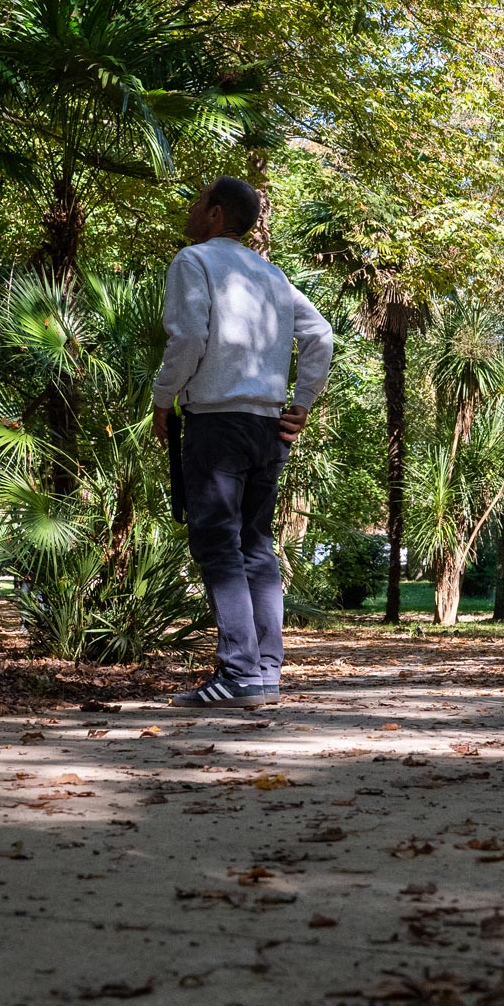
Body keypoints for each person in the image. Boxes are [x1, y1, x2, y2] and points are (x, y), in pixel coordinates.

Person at [152, 177, 334, 709]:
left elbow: (188, 338)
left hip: (218, 422)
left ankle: (236, 673)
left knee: (218, 544)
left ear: (214, 213)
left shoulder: (195, 261)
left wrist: (164, 398)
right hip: (267, 426)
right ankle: (264, 675)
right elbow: (320, 334)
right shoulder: (272, 275)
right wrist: (301, 402)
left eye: (195, 202)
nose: (189, 211)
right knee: (255, 545)